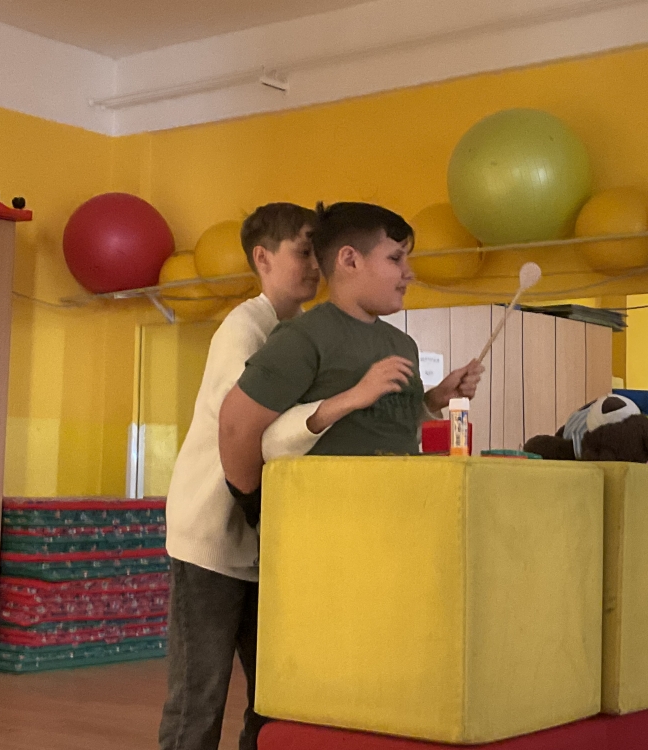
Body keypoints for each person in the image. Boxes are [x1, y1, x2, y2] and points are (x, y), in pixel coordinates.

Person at [159, 202, 406, 750]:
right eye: (302, 252)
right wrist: (350, 398)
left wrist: (428, 400)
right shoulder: (244, 329)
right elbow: (245, 429)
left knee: (273, 692)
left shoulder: (299, 330)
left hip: (267, 537)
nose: (315, 265)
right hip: (213, 534)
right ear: (263, 258)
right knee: (200, 693)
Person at [218, 201, 485, 504]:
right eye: (395, 258)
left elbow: (391, 431)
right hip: (326, 520)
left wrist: (435, 399)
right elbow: (235, 426)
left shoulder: (403, 344)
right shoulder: (303, 338)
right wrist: (257, 507)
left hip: (397, 512)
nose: (408, 273)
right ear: (350, 260)